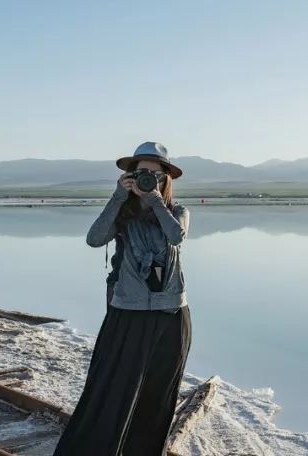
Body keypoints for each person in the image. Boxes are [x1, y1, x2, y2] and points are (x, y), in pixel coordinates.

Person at [53, 141, 192, 456]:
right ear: (130, 176)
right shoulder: (123, 214)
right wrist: (118, 197)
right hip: (127, 314)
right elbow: (93, 239)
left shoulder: (178, 212)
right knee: (113, 390)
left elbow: (175, 236)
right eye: (142, 173)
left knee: (156, 395)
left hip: (171, 316)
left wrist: (155, 202)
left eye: (156, 175)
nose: (148, 179)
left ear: (165, 179)